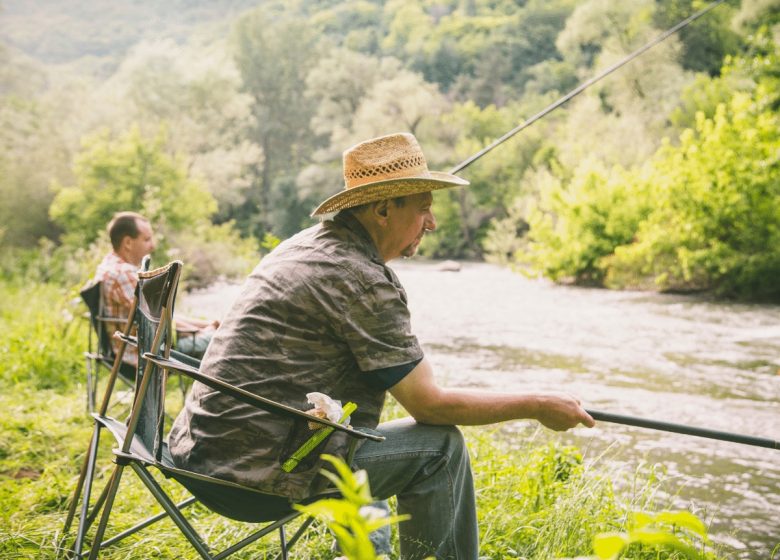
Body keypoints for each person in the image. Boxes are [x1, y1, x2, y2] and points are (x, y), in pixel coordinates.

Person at [168, 133, 595, 559]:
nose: (431, 223)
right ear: (383, 209)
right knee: (440, 449)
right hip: (254, 477)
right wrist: (538, 404)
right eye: (424, 208)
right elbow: (430, 406)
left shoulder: (304, 245)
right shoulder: (362, 279)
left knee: (363, 437)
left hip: (200, 452)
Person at [94, 211, 218, 363]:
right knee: (224, 339)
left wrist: (207, 325)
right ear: (128, 243)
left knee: (216, 331)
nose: (152, 246)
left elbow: (161, 315)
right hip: (145, 353)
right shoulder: (122, 273)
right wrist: (201, 331)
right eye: (147, 239)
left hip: (140, 347)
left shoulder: (109, 265)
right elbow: (159, 319)